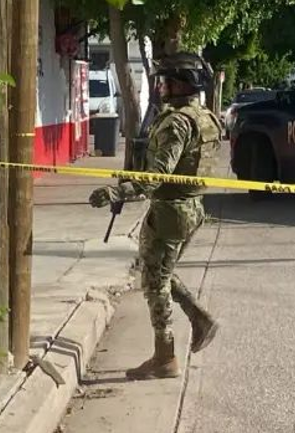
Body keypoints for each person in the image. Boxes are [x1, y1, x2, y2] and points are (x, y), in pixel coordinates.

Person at [89, 52, 223, 380]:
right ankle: (199, 317)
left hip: (169, 212)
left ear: (181, 84)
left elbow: (158, 177)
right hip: (191, 209)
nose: (161, 86)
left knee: (154, 282)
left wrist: (117, 192)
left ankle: (165, 356)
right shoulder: (206, 117)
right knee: (159, 271)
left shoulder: (177, 122)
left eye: (167, 81)